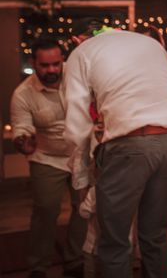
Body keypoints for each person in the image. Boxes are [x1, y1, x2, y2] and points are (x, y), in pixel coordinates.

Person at [63, 19, 167, 278]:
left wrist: (80, 178)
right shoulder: (151, 46)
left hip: (130, 145)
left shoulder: (81, 54)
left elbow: (76, 126)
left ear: (78, 40)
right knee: (156, 236)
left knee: (114, 242)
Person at [10, 38, 86, 278]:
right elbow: (22, 128)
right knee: (46, 210)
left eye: (56, 64)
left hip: (80, 155)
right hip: (47, 157)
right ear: (33, 63)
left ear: (63, 60)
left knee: (83, 209)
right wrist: (24, 141)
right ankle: (38, 266)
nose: (51, 70)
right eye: (45, 65)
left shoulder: (78, 81)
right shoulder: (22, 94)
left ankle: (75, 260)